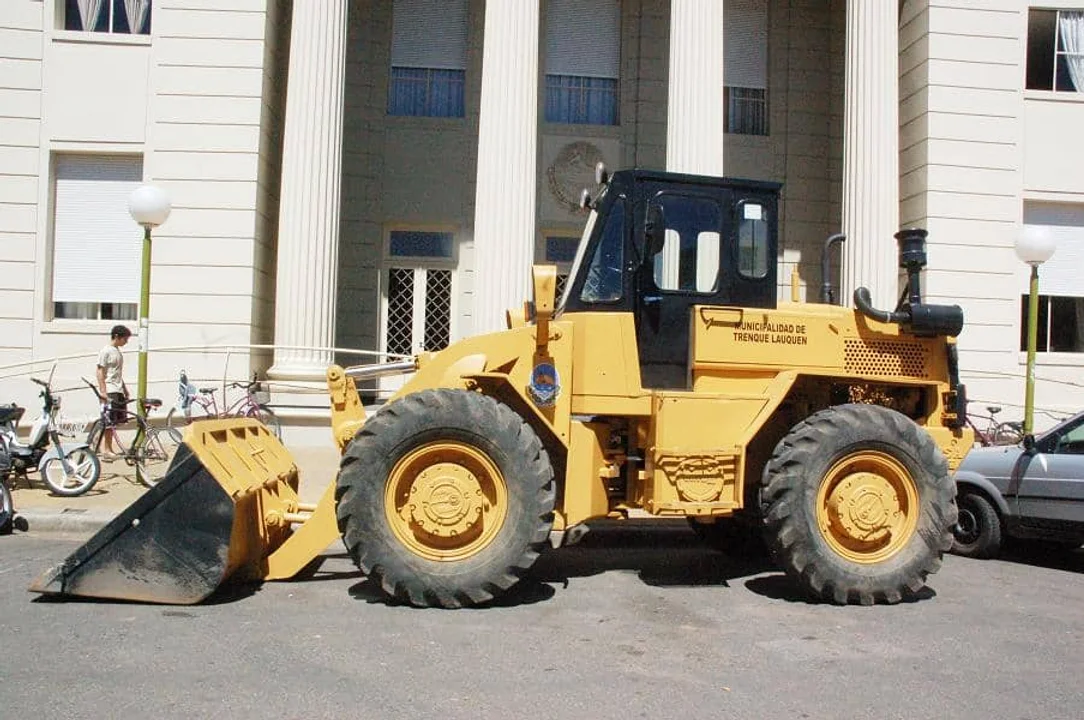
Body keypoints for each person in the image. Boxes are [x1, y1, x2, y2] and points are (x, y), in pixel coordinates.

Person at [96, 325, 131, 456]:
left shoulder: (118, 352)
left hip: (118, 389)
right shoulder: (106, 351)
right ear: (117, 336)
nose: (126, 342)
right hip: (110, 389)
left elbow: (117, 373)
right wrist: (103, 391)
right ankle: (106, 449)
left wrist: (125, 389)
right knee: (109, 421)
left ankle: (102, 442)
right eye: (125, 339)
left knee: (117, 420)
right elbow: (100, 371)